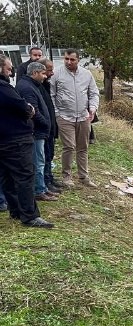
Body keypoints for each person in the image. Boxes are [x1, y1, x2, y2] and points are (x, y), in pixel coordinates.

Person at [0, 54, 53, 228]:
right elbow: (25, 107)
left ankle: (16, 211)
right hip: (15, 140)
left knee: (7, 178)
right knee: (24, 176)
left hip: (6, 139)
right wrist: (28, 109)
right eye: (8, 69)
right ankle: (29, 215)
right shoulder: (4, 88)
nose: (10, 72)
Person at [50, 48, 100, 188]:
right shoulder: (57, 74)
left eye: (72, 59)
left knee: (83, 147)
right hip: (65, 116)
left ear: (78, 60)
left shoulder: (86, 74)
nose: (69, 62)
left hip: (84, 117)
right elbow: (51, 95)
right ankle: (66, 176)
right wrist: (57, 113)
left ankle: (84, 176)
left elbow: (94, 93)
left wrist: (93, 108)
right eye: (66, 59)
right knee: (69, 146)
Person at [15, 61, 56, 202]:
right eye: (43, 73)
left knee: (41, 160)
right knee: (38, 162)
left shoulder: (33, 85)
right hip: (36, 131)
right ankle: (39, 190)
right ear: (34, 73)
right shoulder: (27, 87)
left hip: (39, 131)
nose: (45, 76)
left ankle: (42, 187)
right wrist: (45, 123)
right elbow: (33, 110)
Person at [39, 59, 63, 194]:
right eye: (49, 70)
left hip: (50, 127)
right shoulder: (37, 87)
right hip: (43, 129)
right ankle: (44, 183)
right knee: (44, 157)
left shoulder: (46, 85)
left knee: (49, 155)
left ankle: (49, 179)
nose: (52, 73)